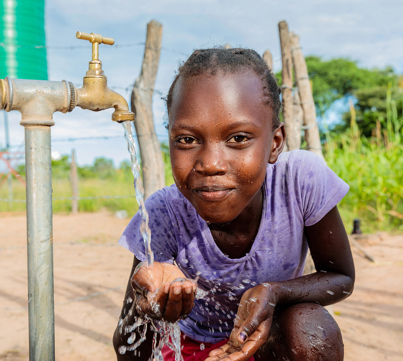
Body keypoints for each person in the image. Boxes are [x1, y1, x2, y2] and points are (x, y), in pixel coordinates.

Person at [113, 48, 355, 361]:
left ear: (275, 142)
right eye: (187, 139)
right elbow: (126, 346)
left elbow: (341, 278)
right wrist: (148, 310)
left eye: (239, 138)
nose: (211, 164)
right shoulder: (165, 213)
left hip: (268, 341)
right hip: (191, 348)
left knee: (308, 329)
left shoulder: (298, 182)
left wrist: (274, 292)